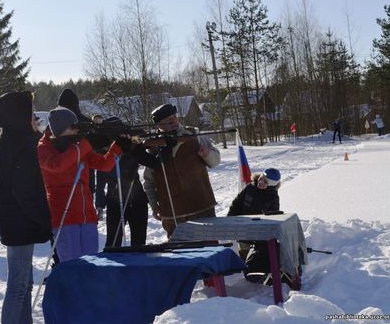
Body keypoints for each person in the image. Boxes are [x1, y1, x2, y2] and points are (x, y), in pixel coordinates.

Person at [0, 90, 52, 324]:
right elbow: (25, 189)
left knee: (24, 283)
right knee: (18, 285)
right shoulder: (21, 142)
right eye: (30, 111)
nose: (34, 116)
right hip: (20, 220)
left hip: (11, 217)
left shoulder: (5, 138)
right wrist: (42, 219)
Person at [37, 107, 124, 262]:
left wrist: (118, 145)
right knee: (72, 267)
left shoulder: (76, 145)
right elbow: (57, 165)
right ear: (61, 128)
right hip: (64, 216)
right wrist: (84, 144)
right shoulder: (44, 148)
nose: (77, 131)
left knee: (91, 264)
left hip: (87, 215)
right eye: (73, 127)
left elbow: (104, 164)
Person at [143, 103, 220, 238]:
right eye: (168, 120)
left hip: (202, 206)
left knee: (210, 247)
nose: (173, 121)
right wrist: (154, 206)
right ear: (159, 125)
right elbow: (149, 182)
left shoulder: (193, 134)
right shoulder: (153, 146)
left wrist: (207, 154)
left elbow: (215, 162)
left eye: (174, 117)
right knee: (180, 253)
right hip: (173, 212)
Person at [103, 143, 158, 247]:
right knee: (113, 243)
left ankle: (138, 263)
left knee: (139, 243)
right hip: (116, 199)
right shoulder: (109, 147)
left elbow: (154, 163)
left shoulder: (133, 146)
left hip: (137, 199)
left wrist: (138, 150)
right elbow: (104, 169)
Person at [227, 168, 281, 259]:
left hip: (259, 231)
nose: (261, 182)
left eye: (265, 182)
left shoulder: (273, 197)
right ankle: (244, 266)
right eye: (261, 178)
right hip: (243, 227)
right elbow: (236, 204)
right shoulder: (249, 188)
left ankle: (257, 266)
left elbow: (274, 217)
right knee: (244, 250)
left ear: (271, 186)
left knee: (257, 253)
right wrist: (230, 218)